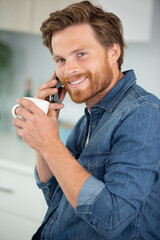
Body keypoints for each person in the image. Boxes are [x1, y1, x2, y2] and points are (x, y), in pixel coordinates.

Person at [13, 1, 160, 239]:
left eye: (80, 54)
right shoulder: (89, 119)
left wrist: (50, 144)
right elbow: (57, 198)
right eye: (60, 60)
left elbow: (112, 219)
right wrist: (44, 134)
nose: (69, 69)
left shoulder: (144, 113)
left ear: (113, 51)